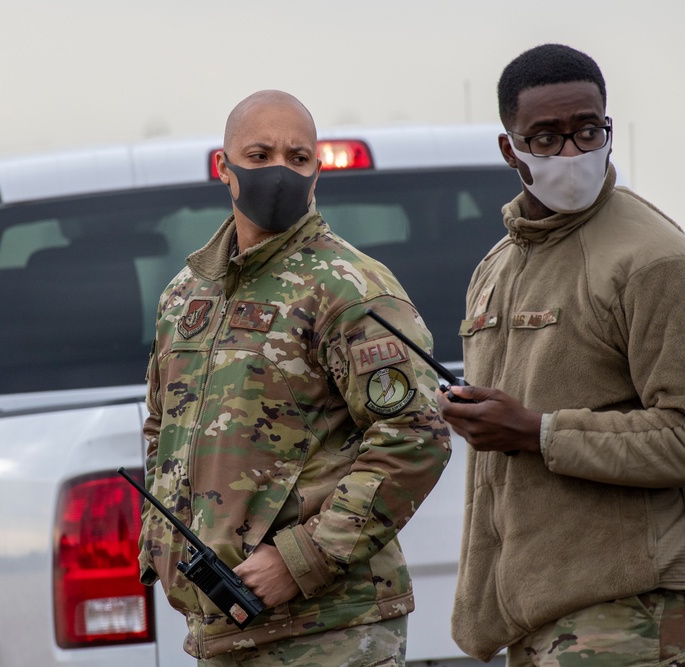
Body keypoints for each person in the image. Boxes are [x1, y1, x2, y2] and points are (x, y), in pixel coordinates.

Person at [439, 44, 685, 667]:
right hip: (539, 614)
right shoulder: (497, 267)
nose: (571, 153)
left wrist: (537, 431)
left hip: (633, 612)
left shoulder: (660, 262)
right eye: (546, 138)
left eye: (586, 131)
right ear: (510, 149)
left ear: (609, 129)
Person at [138, 89, 451, 665]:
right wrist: (159, 542)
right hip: (223, 627)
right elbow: (163, 429)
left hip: (329, 630)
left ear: (316, 172)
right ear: (224, 168)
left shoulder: (349, 287)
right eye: (259, 156)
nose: (279, 171)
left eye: (298, 158)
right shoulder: (185, 295)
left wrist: (301, 558)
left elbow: (414, 438)